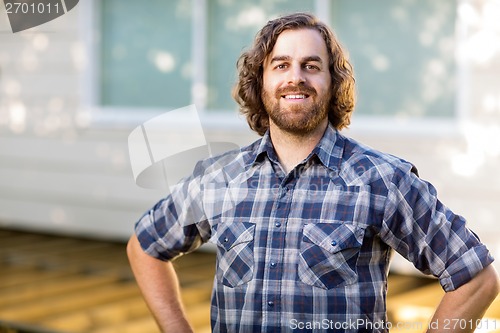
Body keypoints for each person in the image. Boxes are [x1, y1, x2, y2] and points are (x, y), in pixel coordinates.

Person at [127, 12, 499, 332]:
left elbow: (477, 278)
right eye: (281, 65)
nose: (296, 78)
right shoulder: (219, 178)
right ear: (261, 82)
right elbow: (145, 247)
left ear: (332, 83)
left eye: (311, 65)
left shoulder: (382, 180)